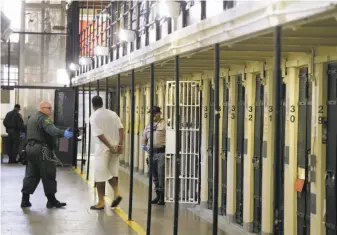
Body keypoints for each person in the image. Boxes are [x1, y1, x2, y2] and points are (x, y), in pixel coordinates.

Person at [20, 101, 73, 208]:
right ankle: (52, 201)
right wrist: (63, 133)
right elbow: (52, 130)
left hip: (30, 149)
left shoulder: (32, 118)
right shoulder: (44, 118)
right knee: (48, 173)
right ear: (42, 109)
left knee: (31, 174)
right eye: (49, 108)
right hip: (42, 150)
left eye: (51, 108)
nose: (51, 110)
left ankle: (25, 200)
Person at [89, 96, 124, 210]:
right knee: (113, 172)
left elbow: (99, 135)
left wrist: (109, 146)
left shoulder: (94, 116)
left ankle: (101, 202)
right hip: (115, 145)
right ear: (102, 103)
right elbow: (121, 129)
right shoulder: (113, 114)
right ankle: (116, 196)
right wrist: (119, 145)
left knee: (100, 174)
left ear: (93, 104)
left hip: (103, 147)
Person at [141, 106, 166, 205]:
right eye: (151, 114)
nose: (152, 116)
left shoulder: (165, 124)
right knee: (154, 176)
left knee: (161, 175)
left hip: (161, 153)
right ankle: (157, 195)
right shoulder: (148, 125)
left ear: (159, 113)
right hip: (151, 153)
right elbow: (144, 137)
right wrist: (143, 145)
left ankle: (162, 197)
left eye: (154, 114)